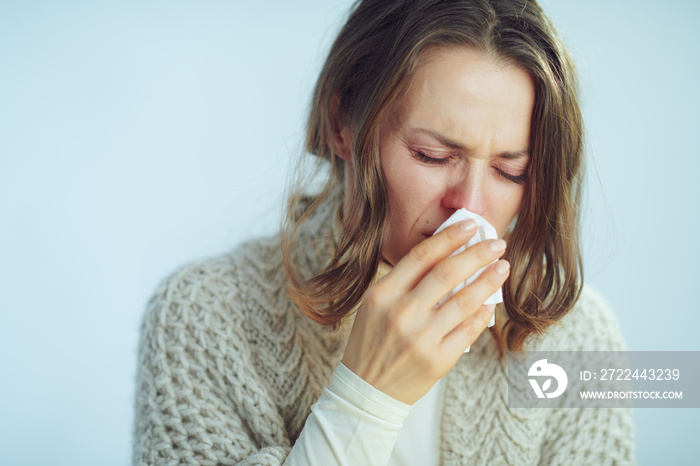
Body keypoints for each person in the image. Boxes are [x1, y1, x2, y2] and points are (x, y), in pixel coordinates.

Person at [132, 0, 636, 464]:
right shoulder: (202, 316)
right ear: (342, 124)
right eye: (432, 156)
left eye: (512, 171)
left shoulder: (579, 337)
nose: (471, 207)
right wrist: (364, 398)